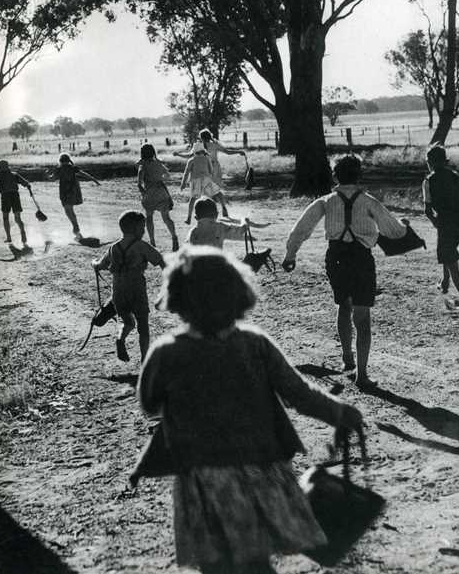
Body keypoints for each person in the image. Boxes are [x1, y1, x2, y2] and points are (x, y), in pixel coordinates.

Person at [138, 245, 363, 574]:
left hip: (203, 475)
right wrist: (341, 412)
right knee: (255, 562)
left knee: (216, 565)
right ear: (237, 292)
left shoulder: (166, 353)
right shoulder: (255, 344)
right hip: (260, 468)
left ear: (178, 297)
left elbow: (150, 405)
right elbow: (298, 394)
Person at [282, 154, 407, 389]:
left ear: (335, 175)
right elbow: (394, 231)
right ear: (359, 176)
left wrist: (290, 254)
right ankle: (362, 374)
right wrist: (403, 225)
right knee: (362, 316)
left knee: (343, 305)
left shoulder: (326, 201)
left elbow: (301, 228)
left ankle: (346, 357)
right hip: (361, 258)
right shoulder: (369, 201)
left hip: (336, 257)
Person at [92, 211, 165, 362]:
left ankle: (120, 339)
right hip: (137, 292)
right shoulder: (142, 246)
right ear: (137, 228)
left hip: (118, 294)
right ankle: (144, 360)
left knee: (128, 323)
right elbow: (160, 261)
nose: (144, 231)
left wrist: (94, 263)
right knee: (143, 327)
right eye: (143, 227)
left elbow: (100, 265)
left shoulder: (113, 247)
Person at [422, 145, 459, 309]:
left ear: (430, 163)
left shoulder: (428, 181)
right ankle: (445, 281)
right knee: (447, 252)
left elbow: (427, 210)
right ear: (445, 160)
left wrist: (435, 222)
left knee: (450, 260)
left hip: (446, 225)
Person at [174, 128, 246, 217]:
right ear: (210, 136)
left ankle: (210, 211)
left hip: (203, 169)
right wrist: (239, 151)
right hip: (214, 169)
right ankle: (223, 207)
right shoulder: (214, 145)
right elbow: (228, 152)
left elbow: (189, 156)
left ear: (201, 137)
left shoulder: (198, 146)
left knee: (206, 192)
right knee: (215, 190)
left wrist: (178, 154)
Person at [0, 160, 32, 247]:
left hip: (5, 197)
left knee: (5, 217)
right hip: (15, 196)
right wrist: (29, 188)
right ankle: (23, 234)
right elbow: (26, 183)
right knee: (17, 218)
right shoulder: (14, 174)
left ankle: (8, 237)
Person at [137, 143, 179, 251]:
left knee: (149, 217)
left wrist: (143, 193)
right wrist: (159, 178)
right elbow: (168, 175)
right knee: (166, 218)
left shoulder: (142, 165)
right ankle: (174, 237)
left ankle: (152, 242)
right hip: (161, 192)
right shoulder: (158, 163)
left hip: (150, 194)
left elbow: (139, 182)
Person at [186, 196, 270, 249]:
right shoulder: (220, 227)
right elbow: (242, 230)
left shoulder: (192, 232)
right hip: (215, 267)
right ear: (216, 214)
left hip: (195, 271)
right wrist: (244, 221)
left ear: (196, 218)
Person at [53, 154, 100, 240]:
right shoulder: (72, 168)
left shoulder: (59, 169)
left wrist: (48, 175)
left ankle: (75, 228)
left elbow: (53, 178)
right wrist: (94, 179)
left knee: (68, 210)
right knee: (70, 210)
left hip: (65, 193)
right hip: (73, 192)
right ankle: (76, 229)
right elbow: (84, 174)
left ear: (60, 161)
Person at [179, 142, 221, 224]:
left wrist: (183, 183)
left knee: (193, 199)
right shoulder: (207, 159)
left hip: (196, 181)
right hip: (206, 179)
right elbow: (211, 171)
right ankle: (213, 216)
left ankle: (189, 218)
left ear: (194, 152)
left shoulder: (191, 160)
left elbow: (186, 173)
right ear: (203, 151)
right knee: (210, 199)